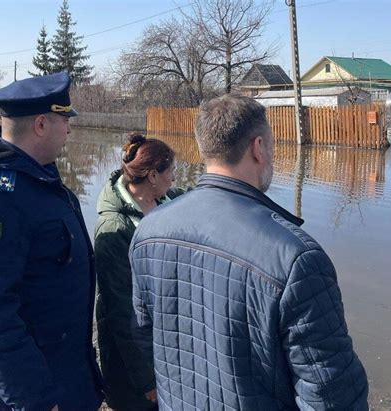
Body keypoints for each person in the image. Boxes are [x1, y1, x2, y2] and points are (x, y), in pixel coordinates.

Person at [129, 95, 369, 410]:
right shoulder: (297, 259)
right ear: (258, 148)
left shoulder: (147, 231)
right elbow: (331, 395)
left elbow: (147, 336)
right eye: (271, 146)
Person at [0, 72, 104, 411]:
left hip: (60, 375)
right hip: (24, 395)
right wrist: (34, 398)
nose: (70, 129)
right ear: (42, 125)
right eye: (65, 120)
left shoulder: (38, 180)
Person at [94, 133, 183, 411]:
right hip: (133, 362)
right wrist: (147, 380)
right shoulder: (115, 229)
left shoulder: (169, 201)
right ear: (153, 175)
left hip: (163, 346)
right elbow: (121, 311)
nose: (174, 179)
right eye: (171, 172)